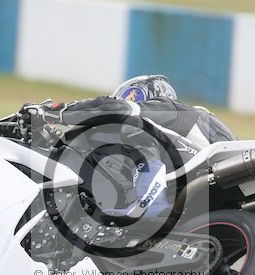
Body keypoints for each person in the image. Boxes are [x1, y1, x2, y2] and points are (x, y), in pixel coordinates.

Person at [23, 75, 237, 219]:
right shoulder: (195, 122)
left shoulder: (173, 109)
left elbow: (116, 109)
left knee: (132, 124)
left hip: (204, 170)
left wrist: (54, 112)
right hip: (214, 188)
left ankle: (151, 201)